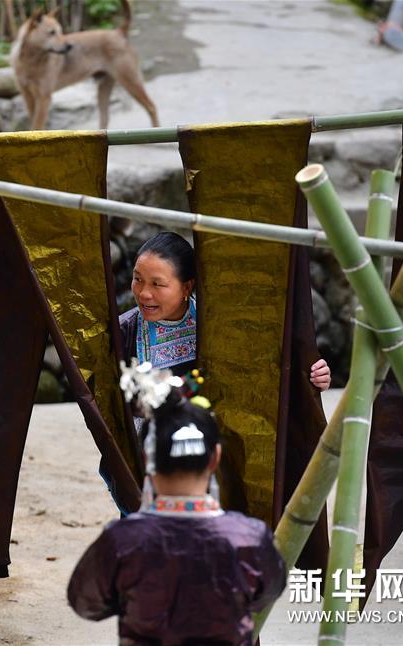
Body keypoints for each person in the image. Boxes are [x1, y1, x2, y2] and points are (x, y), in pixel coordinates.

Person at [69, 364, 286, 645]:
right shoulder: (250, 537)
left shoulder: (123, 540)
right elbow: (266, 594)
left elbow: (86, 603)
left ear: (147, 459)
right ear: (215, 457)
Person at [120, 231, 331, 388]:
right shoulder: (124, 332)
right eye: (138, 279)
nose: (143, 293)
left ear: (187, 287)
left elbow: (266, 372)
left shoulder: (217, 324)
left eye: (157, 284)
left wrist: (312, 376)